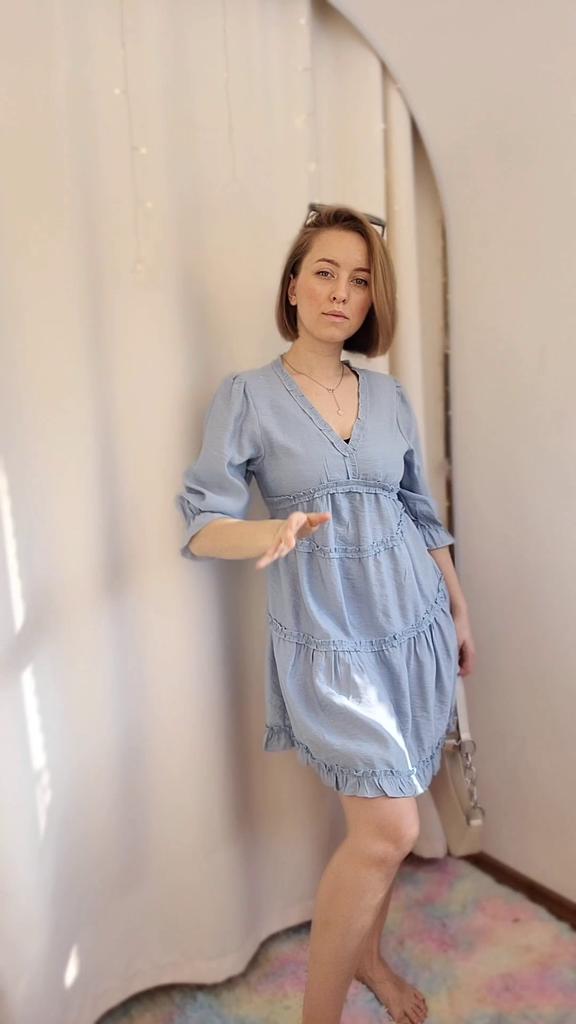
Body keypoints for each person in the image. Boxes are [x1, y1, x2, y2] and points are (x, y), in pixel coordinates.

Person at [175, 204, 476, 1024]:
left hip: (412, 625)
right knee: (390, 830)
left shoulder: (388, 396)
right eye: (325, 273)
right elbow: (201, 524)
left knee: (387, 824)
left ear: (373, 299)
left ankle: (369, 958)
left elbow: (420, 510)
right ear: (293, 286)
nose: (342, 292)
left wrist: (457, 608)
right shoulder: (247, 397)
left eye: (360, 280)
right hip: (330, 640)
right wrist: (268, 532)